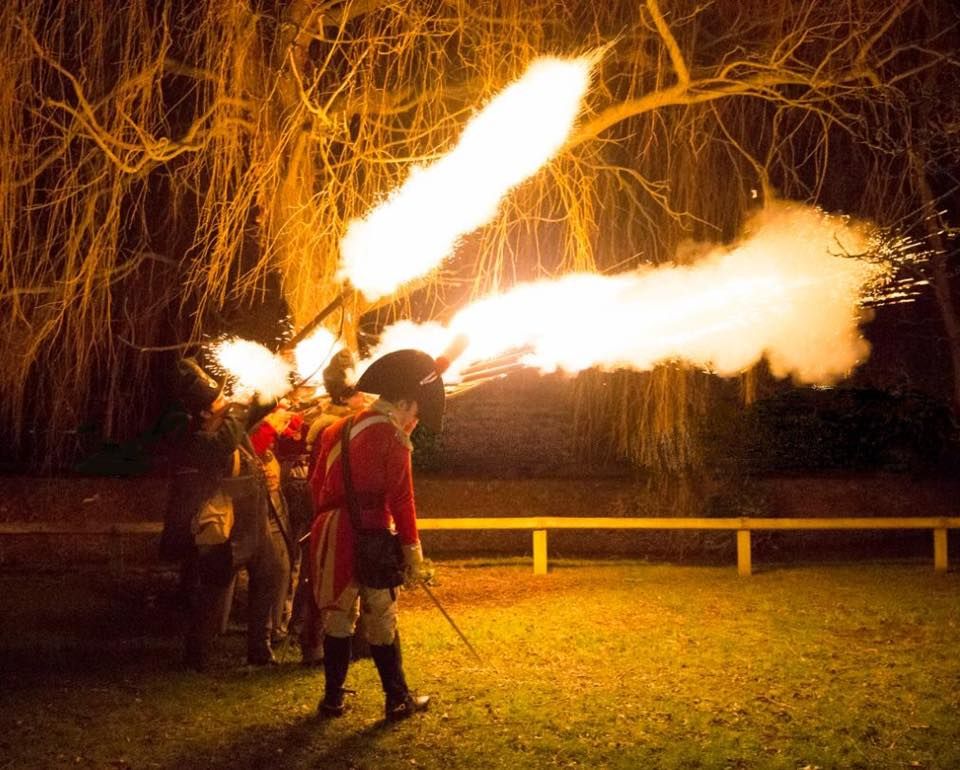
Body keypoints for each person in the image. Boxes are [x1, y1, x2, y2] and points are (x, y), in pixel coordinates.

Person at [308, 348, 441, 721]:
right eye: (414, 412)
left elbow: (317, 484)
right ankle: (397, 699)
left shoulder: (336, 429)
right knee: (381, 616)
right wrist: (414, 557)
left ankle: (332, 699)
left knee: (336, 618)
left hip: (330, 529)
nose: (414, 421)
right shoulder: (394, 437)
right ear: (401, 403)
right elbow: (403, 501)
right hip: (370, 533)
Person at [160, 357, 285, 670]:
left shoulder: (228, 421)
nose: (225, 401)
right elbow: (225, 439)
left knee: (268, 577)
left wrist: (274, 373)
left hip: (253, 521)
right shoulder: (199, 439)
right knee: (212, 592)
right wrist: (238, 408)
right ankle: (197, 655)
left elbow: (259, 407)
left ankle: (260, 649)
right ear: (203, 412)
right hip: (224, 525)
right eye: (217, 400)